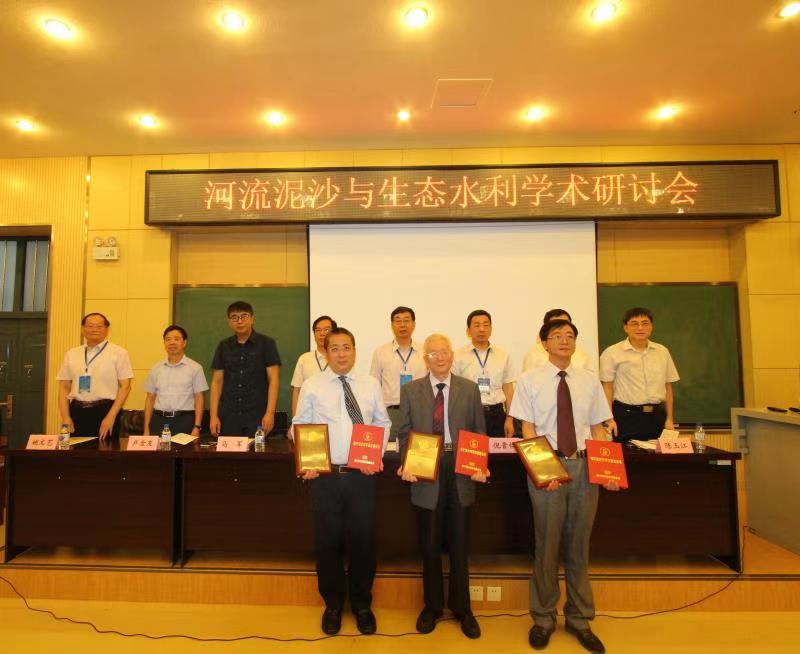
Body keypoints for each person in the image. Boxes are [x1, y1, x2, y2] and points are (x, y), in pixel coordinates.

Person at [509, 319, 619, 654]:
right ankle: (543, 618)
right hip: (548, 466)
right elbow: (527, 429)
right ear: (544, 343)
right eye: (556, 336)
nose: (564, 340)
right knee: (547, 545)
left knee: (579, 545)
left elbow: (598, 429)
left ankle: (579, 619)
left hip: (584, 467)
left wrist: (606, 470)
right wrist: (544, 471)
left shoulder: (588, 380)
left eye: (570, 336)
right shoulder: (529, 380)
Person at [292, 327, 391, 636]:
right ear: (325, 353)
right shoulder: (313, 384)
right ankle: (333, 605)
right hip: (325, 476)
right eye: (334, 348)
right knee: (328, 542)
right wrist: (308, 461)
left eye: (346, 347)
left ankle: (362, 605)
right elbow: (300, 424)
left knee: (363, 542)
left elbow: (382, 422)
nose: (341, 353)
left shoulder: (370, 384)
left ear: (355, 350)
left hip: (362, 476)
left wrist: (375, 456)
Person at [395, 333, 487, 640]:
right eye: (433, 353)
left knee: (460, 544)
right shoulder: (411, 390)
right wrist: (407, 464)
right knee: (430, 544)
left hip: (461, 468)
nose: (440, 357)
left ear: (452, 355)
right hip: (425, 469)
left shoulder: (469, 389)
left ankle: (463, 609)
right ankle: (432, 606)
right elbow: (404, 433)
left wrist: (479, 464)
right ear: (426, 359)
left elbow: (478, 432)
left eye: (444, 351)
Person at [599, 307, 680, 441]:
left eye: (645, 323)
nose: (640, 328)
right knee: (627, 454)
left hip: (657, 416)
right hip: (626, 417)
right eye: (634, 324)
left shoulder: (662, 351)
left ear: (651, 326)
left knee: (657, 454)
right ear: (625, 328)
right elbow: (607, 388)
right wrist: (609, 419)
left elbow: (668, 387)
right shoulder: (612, 352)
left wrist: (669, 419)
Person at [209, 301, 281, 437]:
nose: (239, 321)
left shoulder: (266, 343)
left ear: (252, 319)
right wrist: (213, 416)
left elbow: (274, 380)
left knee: (257, 451)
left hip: (258, 415)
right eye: (234, 317)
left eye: (244, 316)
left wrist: (270, 413)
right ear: (229, 322)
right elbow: (217, 382)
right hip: (228, 416)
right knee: (230, 451)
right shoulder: (223, 346)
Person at [57, 312, 133, 439]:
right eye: (90, 326)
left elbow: (125, 386)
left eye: (99, 326)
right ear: (83, 329)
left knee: (105, 450)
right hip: (76, 411)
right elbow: (64, 387)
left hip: (105, 410)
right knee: (75, 450)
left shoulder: (119, 353)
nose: (94, 329)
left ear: (107, 329)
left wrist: (111, 416)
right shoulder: (72, 353)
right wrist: (65, 417)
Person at [452, 309, 517, 437]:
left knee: (495, 449)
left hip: (497, 413)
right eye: (477, 325)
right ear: (468, 331)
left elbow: (509, 390)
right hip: (469, 414)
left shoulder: (503, 355)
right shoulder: (458, 356)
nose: (482, 329)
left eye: (486, 325)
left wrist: (510, 419)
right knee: (471, 449)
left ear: (491, 329)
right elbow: (454, 390)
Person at [143, 325, 208, 437]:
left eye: (176, 339)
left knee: (184, 449)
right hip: (158, 421)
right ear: (164, 343)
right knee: (158, 449)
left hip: (184, 421)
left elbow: (199, 398)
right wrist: (146, 428)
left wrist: (197, 426)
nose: (172, 342)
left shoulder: (195, 368)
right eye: (168, 339)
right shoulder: (156, 368)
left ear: (184, 343)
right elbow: (150, 399)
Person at [369, 306, 427, 431]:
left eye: (406, 320)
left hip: (420, 411)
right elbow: (373, 384)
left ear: (413, 324)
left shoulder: (425, 351)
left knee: (420, 443)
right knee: (390, 444)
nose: (402, 325)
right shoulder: (381, 352)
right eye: (398, 321)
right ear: (392, 325)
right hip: (391, 413)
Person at [290, 315, 337, 417]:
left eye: (326, 330)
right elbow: (297, 391)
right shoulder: (304, 359)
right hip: (309, 419)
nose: (322, 333)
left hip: (335, 418)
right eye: (318, 330)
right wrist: (295, 420)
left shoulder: (340, 359)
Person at [522, 309, 595, 373]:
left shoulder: (582, 355)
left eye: (565, 323)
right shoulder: (532, 355)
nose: (561, 328)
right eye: (556, 325)